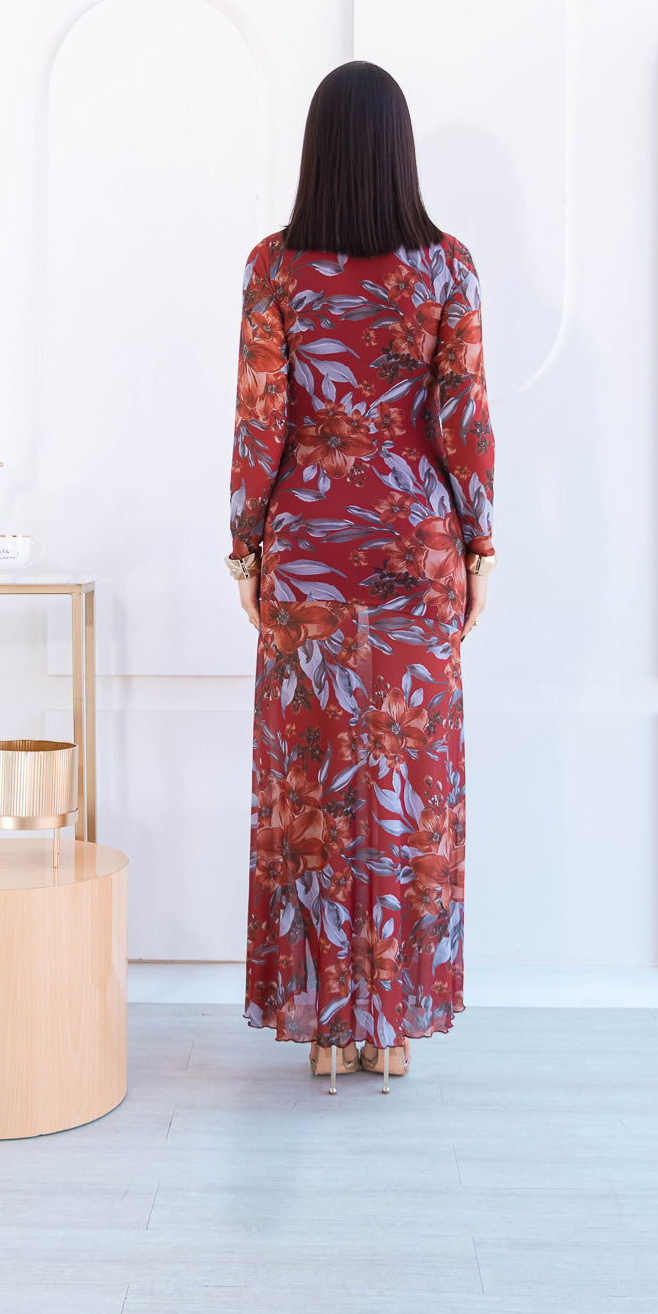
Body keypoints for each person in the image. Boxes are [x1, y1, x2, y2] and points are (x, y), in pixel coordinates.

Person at [226, 61, 496, 1093]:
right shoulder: (444, 266)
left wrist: (245, 544)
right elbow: (462, 419)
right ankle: (393, 1025)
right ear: (398, 149)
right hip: (416, 547)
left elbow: (261, 419)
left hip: (306, 546)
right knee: (408, 781)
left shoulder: (273, 266)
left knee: (313, 783)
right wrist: (477, 546)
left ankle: (325, 1031)